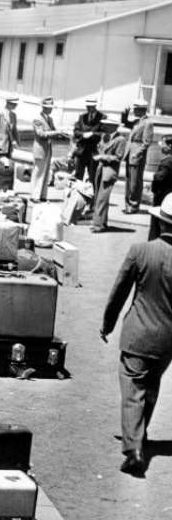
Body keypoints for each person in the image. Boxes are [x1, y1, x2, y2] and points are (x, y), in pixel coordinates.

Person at [100, 193, 172, 477]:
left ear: (159, 221)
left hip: (138, 334)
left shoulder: (140, 251)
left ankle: (133, 450)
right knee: (151, 385)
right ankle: (140, 436)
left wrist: (107, 323)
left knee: (133, 390)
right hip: (168, 340)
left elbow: (119, 292)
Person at [91, 126, 129, 233]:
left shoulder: (120, 140)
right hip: (100, 170)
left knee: (102, 199)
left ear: (113, 127)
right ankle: (102, 223)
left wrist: (102, 157)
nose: (103, 127)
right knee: (100, 197)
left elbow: (118, 157)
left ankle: (98, 225)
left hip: (109, 171)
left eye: (106, 125)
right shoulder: (105, 137)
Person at [31, 97, 68, 201]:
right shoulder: (37, 119)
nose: (50, 109)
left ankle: (42, 195)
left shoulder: (49, 119)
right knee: (38, 172)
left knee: (46, 172)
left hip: (48, 149)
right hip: (40, 148)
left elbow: (53, 131)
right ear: (43, 107)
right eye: (48, 107)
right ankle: (34, 195)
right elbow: (41, 133)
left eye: (51, 107)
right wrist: (57, 133)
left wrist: (62, 134)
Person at [123, 100, 154, 214]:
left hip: (137, 154)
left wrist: (138, 153)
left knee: (135, 182)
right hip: (130, 152)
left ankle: (134, 205)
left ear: (142, 110)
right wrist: (124, 115)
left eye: (135, 109)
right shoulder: (137, 121)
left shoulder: (148, 123)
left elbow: (147, 142)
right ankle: (128, 204)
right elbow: (126, 124)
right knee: (129, 181)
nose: (134, 111)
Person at [72, 96, 105, 185]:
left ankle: (92, 196)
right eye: (87, 106)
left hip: (94, 150)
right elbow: (76, 131)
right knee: (78, 175)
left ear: (95, 106)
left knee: (93, 175)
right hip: (81, 150)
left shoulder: (102, 117)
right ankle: (77, 196)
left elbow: (104, 133)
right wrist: (83, 134)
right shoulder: (82, 117)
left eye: (90, 106)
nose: (88, 108)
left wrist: (92, 134)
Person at [149, 136, 172, 239]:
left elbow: (159, 178)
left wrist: (154, 189)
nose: (161, 147)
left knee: (156, 224)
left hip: (162, 195)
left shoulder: (167, 162)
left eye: (164, 144)